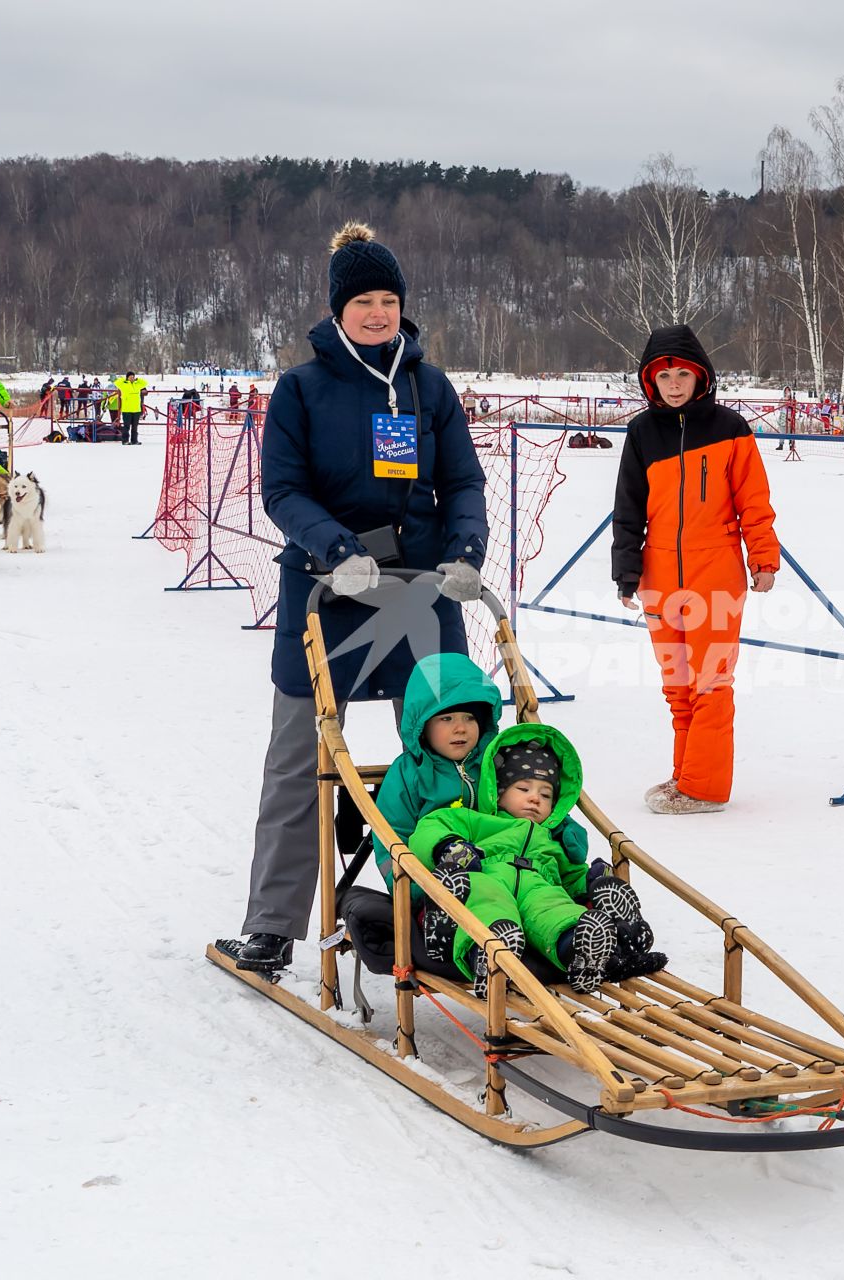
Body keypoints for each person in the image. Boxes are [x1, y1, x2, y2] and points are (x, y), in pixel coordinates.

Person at [217, 222, 488, 976]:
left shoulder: (429, 388)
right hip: (327, 587)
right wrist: (336, 548)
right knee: (299, 759)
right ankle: (272, 924)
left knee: (452, 750)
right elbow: (281, 490)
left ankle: (456, 906)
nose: (377, 312)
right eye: (363, 300)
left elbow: (463, 480)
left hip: (421, 589)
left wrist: (466, 551)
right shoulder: (302, 388)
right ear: (338, 310)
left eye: (388, 299)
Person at [612, 324, 779, 816]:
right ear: (651, 382)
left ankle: (705, 788)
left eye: (684, 373)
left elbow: (754, 500)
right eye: (665, 377)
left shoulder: (729, 428)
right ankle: (687, 775)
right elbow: (628, 507)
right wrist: (627, 569)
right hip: (659, 573)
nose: (675, 384)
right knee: (677, 684)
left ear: (701, 375)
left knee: (710, 680)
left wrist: (763, 558)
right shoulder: (642, 432)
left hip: (716, 570)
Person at [408, 725, 661, 996]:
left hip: (540, 885)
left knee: (555, 908)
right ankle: (489, 952)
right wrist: (449, 847)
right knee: (486, 900)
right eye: (523, 788)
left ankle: (579, 948)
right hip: (488, 874)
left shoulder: (551, 838)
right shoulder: (478, 820)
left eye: (546, 795)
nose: (534, 798)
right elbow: (430, 826)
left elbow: (570, 875)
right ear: (499, 791)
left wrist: (592, 882)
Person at [114, 369, 148, 444]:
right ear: (127, 377)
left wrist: (137, 379)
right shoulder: (123, 385)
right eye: (130, 377)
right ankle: (125, 440)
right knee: (126, 426)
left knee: (135, 427)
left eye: (133, 376)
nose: (132, 378)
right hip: (127, 409)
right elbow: (116, 382)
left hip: (136, 409)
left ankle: (134, 440)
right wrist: (125, 379)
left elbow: (145, 383)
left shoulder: (137, 384)